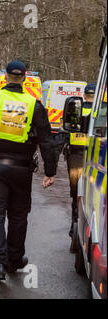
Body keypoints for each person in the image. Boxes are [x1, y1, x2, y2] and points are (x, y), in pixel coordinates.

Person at [0, 60, 57, 281]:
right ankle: (14, 259)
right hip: (22, 170)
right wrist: (50, 171)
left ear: (5, 77)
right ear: (24, 78)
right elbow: (47, 141)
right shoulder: (34, 105)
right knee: (18, 216)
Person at [65, 83, 95, 241]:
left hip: (76, 156)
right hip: (96, 157)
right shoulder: (101, 110)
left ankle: (75, 226)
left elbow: (66, 130)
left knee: (77, 193)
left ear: (84, 95)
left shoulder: (76, 109)